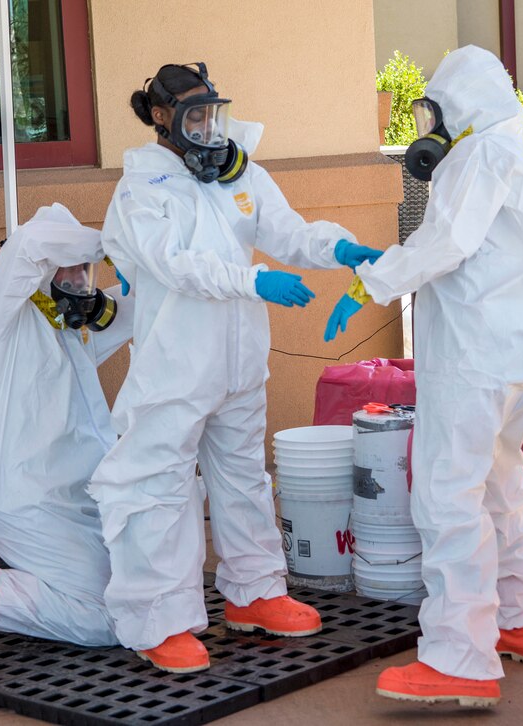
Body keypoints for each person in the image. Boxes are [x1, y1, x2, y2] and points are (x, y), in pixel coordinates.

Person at [88, 62, 384, 674]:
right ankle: (158, 621)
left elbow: (289, 232)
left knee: (245, 477)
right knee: (159, 489)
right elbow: (177, 267)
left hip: (239, 362)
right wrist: (253, 280)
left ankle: (255, 593)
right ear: (162, 118)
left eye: (212, 112)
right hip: (175, 366)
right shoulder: (141, 192)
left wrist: (341, 249)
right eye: (194, 114)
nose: (208, 126)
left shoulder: (236, 173)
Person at [326, 45, 523, 707]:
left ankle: (460, 658)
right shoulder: (510, 155)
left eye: (432, 112)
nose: (427, 128)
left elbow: (445, 243)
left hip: (482, 355)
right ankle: (522, 616)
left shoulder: (478, 156)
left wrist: (371, 282)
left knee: (446, 495)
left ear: (460, 106)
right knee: (495, 478)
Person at [0, 203, 134, 664]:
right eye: (69, 270)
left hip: (80, 503)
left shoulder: (66, 330)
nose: (80, 284)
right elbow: (29, 245)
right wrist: (116, 243)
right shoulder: (3, 316)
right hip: (29, 505)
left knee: (140, 605)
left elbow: (138, 311)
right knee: (111, 620)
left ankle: (11, 590)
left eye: (85, 273)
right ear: (43, 269)